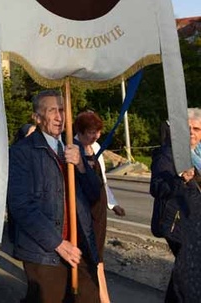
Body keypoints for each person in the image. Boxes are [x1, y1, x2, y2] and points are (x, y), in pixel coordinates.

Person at [7, 90, 101, 303]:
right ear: (38, 117)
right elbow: (20, 205)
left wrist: (81, 166)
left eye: (62, 110)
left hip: (79, 246)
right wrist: (58, 243)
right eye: (53, 111)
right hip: (43, 253)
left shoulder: (74, 148)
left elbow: (95, 194)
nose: (60, 117)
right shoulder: (22, 153)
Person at [74, 111, 126, 303]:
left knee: (98, 252)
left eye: (98, 132)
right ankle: (100, 295)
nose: (95, 136)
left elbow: (102, 180)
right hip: (84, 207)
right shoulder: (73, 149)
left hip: (99, 207)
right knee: (90, 252)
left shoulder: (95, 148)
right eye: (91, 132)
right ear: (81, 131)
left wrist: (113, 204)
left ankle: (102, 293)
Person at [150, 109, 201, 302]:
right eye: (187, 128)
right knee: (190, 272)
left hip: (195, 224)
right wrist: (180, 178)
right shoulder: (167, 154)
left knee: (186, 273)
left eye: (196, 128)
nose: (192, 133)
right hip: (177, 225)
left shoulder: (199, 154)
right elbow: (157, 188)